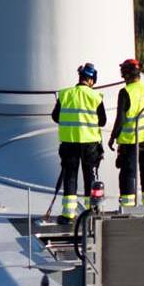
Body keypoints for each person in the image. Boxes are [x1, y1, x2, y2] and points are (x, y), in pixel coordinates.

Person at [52, 62, 107, 224]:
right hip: (90, 143)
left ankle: (68, 214)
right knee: (90, 176)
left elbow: (55, 117)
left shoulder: (65, 94)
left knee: (70, 176)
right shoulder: (95, 97)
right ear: (91, 80)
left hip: (69, 143)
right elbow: (103, 121)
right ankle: (91, 212)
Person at [109, 58, 144, 207]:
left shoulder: (126, 92)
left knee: (128, 173)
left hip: (131, 139)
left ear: (125, 75)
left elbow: (120, 119)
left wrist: (113, 137)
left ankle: (128, 208)